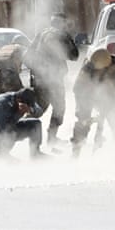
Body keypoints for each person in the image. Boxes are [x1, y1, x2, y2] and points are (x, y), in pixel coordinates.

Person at [29, 12, 79, 146]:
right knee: (59, 108)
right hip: (54, 79)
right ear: (63, 24)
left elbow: (28, 55)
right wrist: (70, 38)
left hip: (39, 78)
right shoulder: (62, 35)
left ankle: (16, 132)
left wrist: (34, 74)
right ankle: (51, 138)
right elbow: (74, 56)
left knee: (39, 108)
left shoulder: (41, 34)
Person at [70, 49, 115, 157]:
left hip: (108, 94)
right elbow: (77, 88)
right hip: (88, 95)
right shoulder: (88, 67)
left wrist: (114, 85)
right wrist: (83, 110)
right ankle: (76, 150)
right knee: (83, 121)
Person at [0, 87, 48, 161]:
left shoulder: (23, 97)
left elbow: (39, 112)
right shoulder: (4, 104)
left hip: (2, 129)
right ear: (19, 100)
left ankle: (35, 153)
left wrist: (31, 110)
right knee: (10, 133)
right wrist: (20, 113)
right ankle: (3, 156)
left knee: (35, 124)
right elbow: (6, 128)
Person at [0, 35, 29, 99]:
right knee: (21, 95)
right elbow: (29, 63)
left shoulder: (4, 47)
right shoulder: (21, 48)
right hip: (9, 75)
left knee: (0, 98)